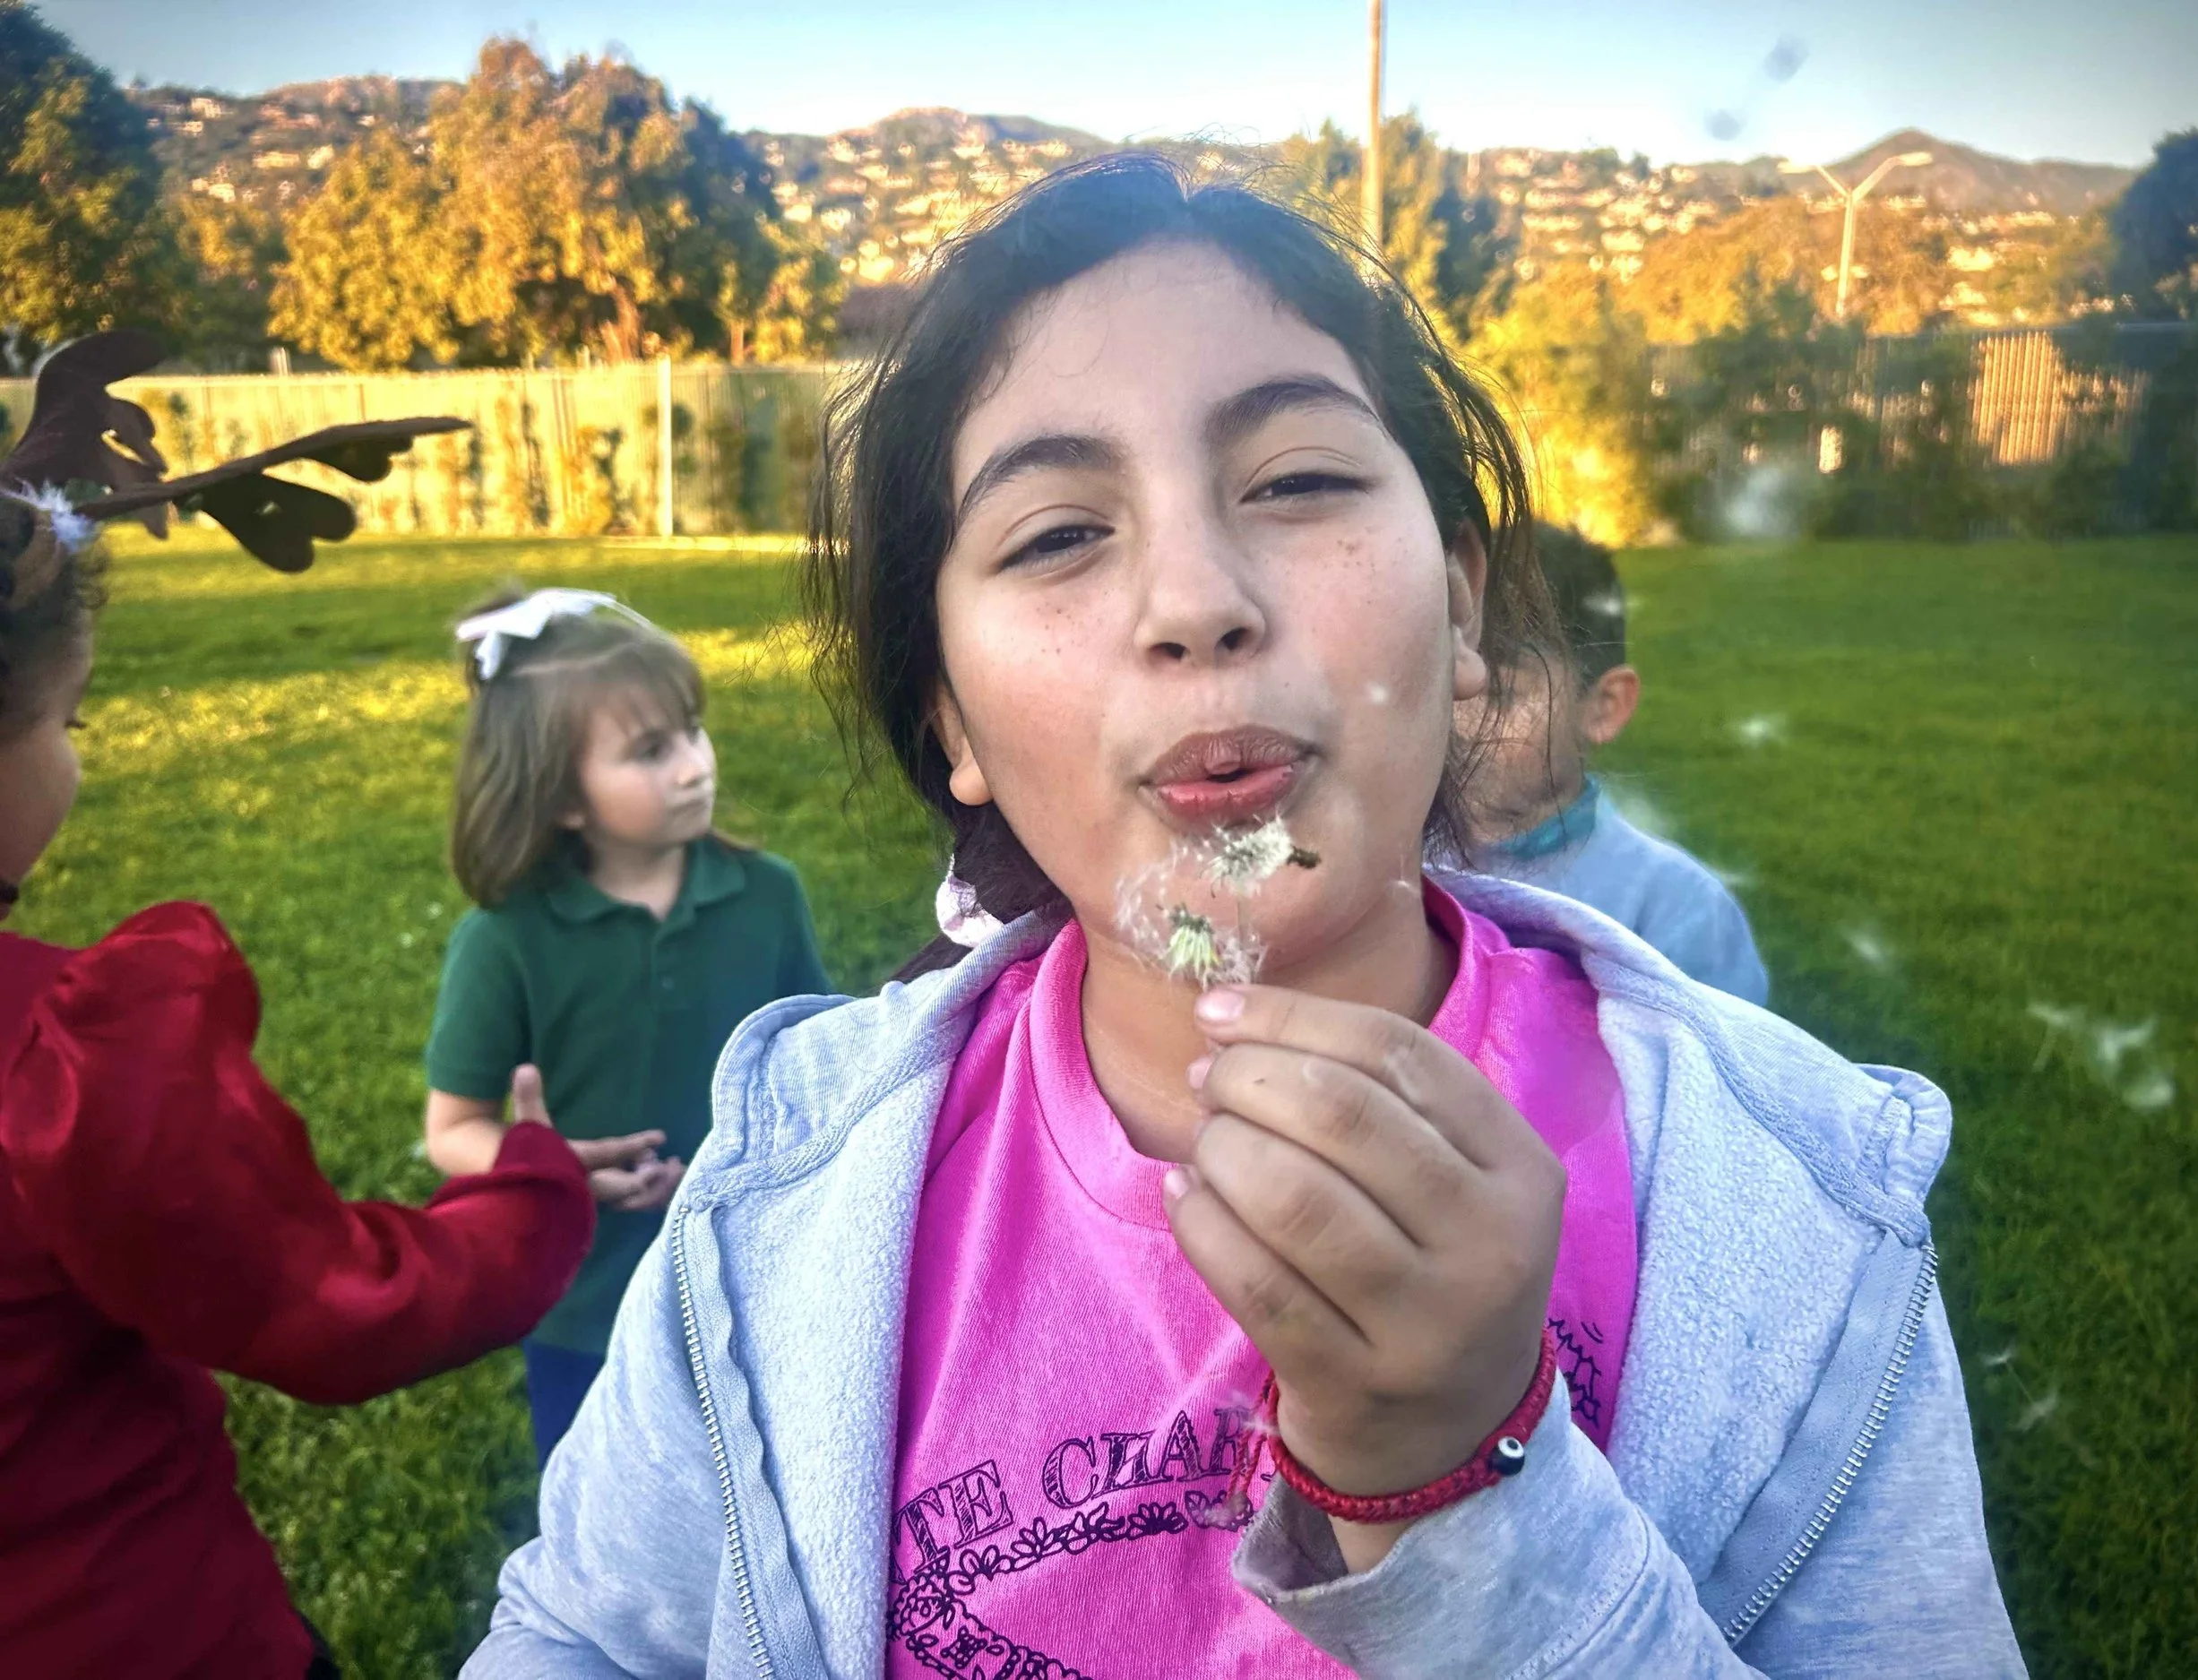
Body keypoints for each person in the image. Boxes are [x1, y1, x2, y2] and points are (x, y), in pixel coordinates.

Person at [469, 156, 2021, 1677]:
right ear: (951, 720)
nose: (1197, 599)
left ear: (1465, 616)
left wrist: (1458, 1493)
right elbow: (587, 1639)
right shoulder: (781, 1205)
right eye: (1059, 533)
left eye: (1295, 482)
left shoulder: (1797, 1207)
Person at [0, 352, 598, 1679]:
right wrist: (537, 1190)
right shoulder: (55, 1072)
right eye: (68, 715)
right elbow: (335, 1304)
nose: (75, 750)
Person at [422, 588, 832, 1463]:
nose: (694, 766)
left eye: (692, 730)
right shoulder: (504, 941)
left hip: (752, 1277)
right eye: (651, 751)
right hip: (584, 1306)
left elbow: (813, 1062)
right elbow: (452, 1128)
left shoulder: (767, 895)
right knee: (602, 1536)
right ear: (563, 797)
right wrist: (550, 1170)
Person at [1465, 522, 1771, 1004]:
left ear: (1604, 706)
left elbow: (1718, 1073)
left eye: (1501, 693)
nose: (1456, 719)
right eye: (1438, 680)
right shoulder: (1386, 866)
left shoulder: (1676, 912)